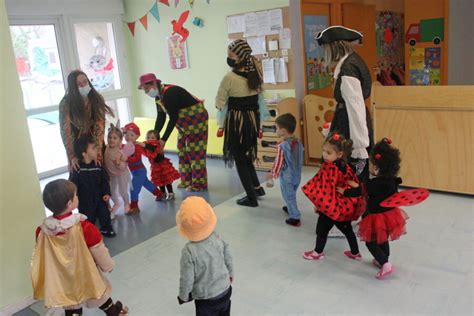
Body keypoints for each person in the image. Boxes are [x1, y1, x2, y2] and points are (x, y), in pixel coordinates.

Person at [32, 179, 128, 315]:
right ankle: (113, 312)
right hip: (85, 271)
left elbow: (43, 253)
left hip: (62, 275)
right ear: (70, 203)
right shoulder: (84, 227)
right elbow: (98, 250)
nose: (78, 197)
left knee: (71, 301)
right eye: (76, 195)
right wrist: (108, 265)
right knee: (97, 292)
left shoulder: (42, 231)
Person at [340, 138, 409, 279]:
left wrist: (345, 192)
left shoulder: (375, 183)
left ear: (377, 168)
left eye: (371, 164)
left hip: (375, 216)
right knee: (382, 238)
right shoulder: (392, 180)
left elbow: (361, 191)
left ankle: (385, 264)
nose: (369, 167)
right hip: (389, 215)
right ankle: (383, 259)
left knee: (370, 242)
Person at [314, 26, 374, 184]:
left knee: (348, 172)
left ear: (333, 47)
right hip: (348, 119)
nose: (325, 53)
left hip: (350, 125)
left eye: (325, 48)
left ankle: (347, 206)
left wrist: (359, 145)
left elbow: (355, 108)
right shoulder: (353, 60)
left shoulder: (348, 69)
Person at [215, 39, 266, 207]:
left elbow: (219, 103)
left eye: (231, 55)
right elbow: (260, 98)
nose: (228, 57)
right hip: (252, 119)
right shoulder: (256, 73)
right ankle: (257, 188)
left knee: (239, 158)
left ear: (239, 58)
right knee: (246, 156)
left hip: (237, 122)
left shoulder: (229, 78)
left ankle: (251, 197)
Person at [138, 73, 208, 192]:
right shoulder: (158, 97)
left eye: (146, 89)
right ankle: (186, 180)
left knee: (195, 152)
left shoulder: (170, 93)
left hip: (196, 120)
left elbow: (173, 118)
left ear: (154, 83)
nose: (146, 92)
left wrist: (163, 140)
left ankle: (199, 183)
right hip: (184, 123)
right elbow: (161, 117)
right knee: (182, 149)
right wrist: (154, 137)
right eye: (144, 90)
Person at [301, 132, 365, 261]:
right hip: (343, 207)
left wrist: (318, 205)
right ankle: (355, 253)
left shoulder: (329, 169)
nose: (324, 154)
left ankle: (317, 253)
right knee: (347, 230)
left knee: (321, 230)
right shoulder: (346, 166)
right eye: (323, 151)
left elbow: (323, 189)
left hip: (330, 207)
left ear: (339, 154)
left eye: (328, 153)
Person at [176, 196, 233, 315]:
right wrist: (230, 273)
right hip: (225, 289)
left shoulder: (189, 251)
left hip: (206, 298)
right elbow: (227, 254)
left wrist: (183, 296)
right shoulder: (216, 237)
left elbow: (187, 278)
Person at [59, 70, 114, 171]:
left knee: (99, 175)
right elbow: (65, 132)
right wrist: (72, 156)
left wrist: (97, 152)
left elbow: (100, 126)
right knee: (81, 178)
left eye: (85, 82)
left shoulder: (96, 98)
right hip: (77, 147)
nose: (83, 86)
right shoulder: (66, 103)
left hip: (95, 144)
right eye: (79, 84)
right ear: (73, 88)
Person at [70, 136, 115, 237]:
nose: (97, 150)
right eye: (93, 148)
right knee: (88, 218)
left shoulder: (98, 166)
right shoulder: (77, 169)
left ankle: (106, 228)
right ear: (84, 154)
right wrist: (74, 198)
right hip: (84, 201)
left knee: (104, 213)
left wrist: (106, 193)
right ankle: (89, 234)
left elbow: (104, 180)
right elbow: (72, 186)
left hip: (99, 197)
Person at [266, 114, 304, 227]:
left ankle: (295, 217)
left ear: (283, 131)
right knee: (291, 193)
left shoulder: (282, 146)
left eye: (276, 128)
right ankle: (289, 207)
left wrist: (272, 174)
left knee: (288, 195)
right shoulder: (297, 142)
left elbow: (278, 163)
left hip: (287, 176)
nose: (276, 130)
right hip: (297, 175)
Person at [122, 123, 163, 214]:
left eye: (132, 135)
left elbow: (135, 158)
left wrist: (126, 158)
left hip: (139, 171)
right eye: (126, 134)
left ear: (137, 136)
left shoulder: (137, 147)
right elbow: (119, 148)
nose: (128, 137)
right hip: (137, 171)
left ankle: (134, 206)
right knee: (147, 184)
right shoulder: (125, 146)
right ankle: (160, 194)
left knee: (133, 189)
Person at [143, 130, 180, 201]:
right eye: (148, 138)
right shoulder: (148, 146)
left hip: (163, 166)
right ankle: (162, 193)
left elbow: (151, 148)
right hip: (155, 167)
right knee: (159, 181)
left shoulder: (157, 144)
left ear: (157, 139)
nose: (150, 139)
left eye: (152, 138)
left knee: (167, 180)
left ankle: (171, 193)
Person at [104, 124, 131, 216]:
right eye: (110, 137)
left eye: (115, 138)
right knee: (111, 191)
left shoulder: (119, 152)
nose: (111, 140)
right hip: (110, 175)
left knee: (123, 191)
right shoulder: (107, 147)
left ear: (120, 140)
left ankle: (127, 203)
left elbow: (124, 165)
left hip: (120, 175)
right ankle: (117, 203)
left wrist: (118, 163)